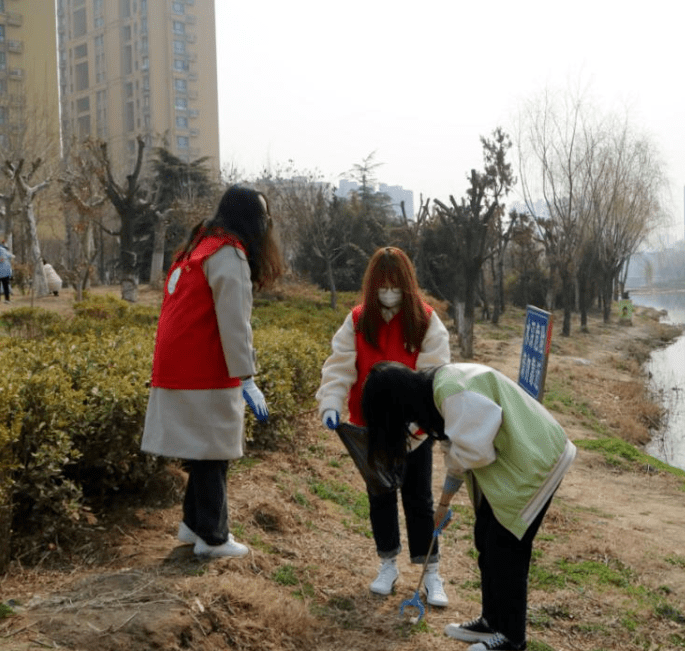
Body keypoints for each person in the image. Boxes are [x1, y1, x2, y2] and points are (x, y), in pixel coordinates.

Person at [362, 361, 577, 651]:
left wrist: (445, 498)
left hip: (536, 460)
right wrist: (444, 502)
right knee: (486, 540)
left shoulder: (451, 393)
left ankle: (513, 642)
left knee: (508, 549)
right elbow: (462, 447)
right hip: (513, 461)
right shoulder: (437, 391)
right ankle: (492, 623)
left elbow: (475, 451)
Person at [141, 186, 285, 559]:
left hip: (177, 364)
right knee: (213, 452)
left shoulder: (197, 246)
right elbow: (235, 322)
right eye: (263, 217)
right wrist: (247, 377)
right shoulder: (228, 253)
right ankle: (213, 537)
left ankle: (192, 525)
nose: (266, 225)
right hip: (206, 365)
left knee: (202, 449)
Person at [316, 246, 452, 604]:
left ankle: (430, 572)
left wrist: (419, 427)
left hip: (414, 431)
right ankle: (387, 563)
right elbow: (340, 364)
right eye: (382, 286)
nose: (388, 293)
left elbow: (435, 374)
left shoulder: (425, 321)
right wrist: (330, 402)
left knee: (419, 499)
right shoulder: (359, 320)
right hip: (371, 425)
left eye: (395, 286)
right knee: (380, 496)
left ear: (406, 286)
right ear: (372, 286)